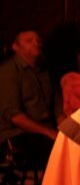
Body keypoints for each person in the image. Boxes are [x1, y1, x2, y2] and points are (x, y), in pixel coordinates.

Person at [0, 29, 57, 169]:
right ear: (15, 47)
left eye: (38, 40)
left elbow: (57, 108)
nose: (36, 43)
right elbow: (14, 116)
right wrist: (49, 132)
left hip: (44, 131)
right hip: (17, 134)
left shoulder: (44, 71)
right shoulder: (8, 72)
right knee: (56, 150)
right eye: (29, 41)